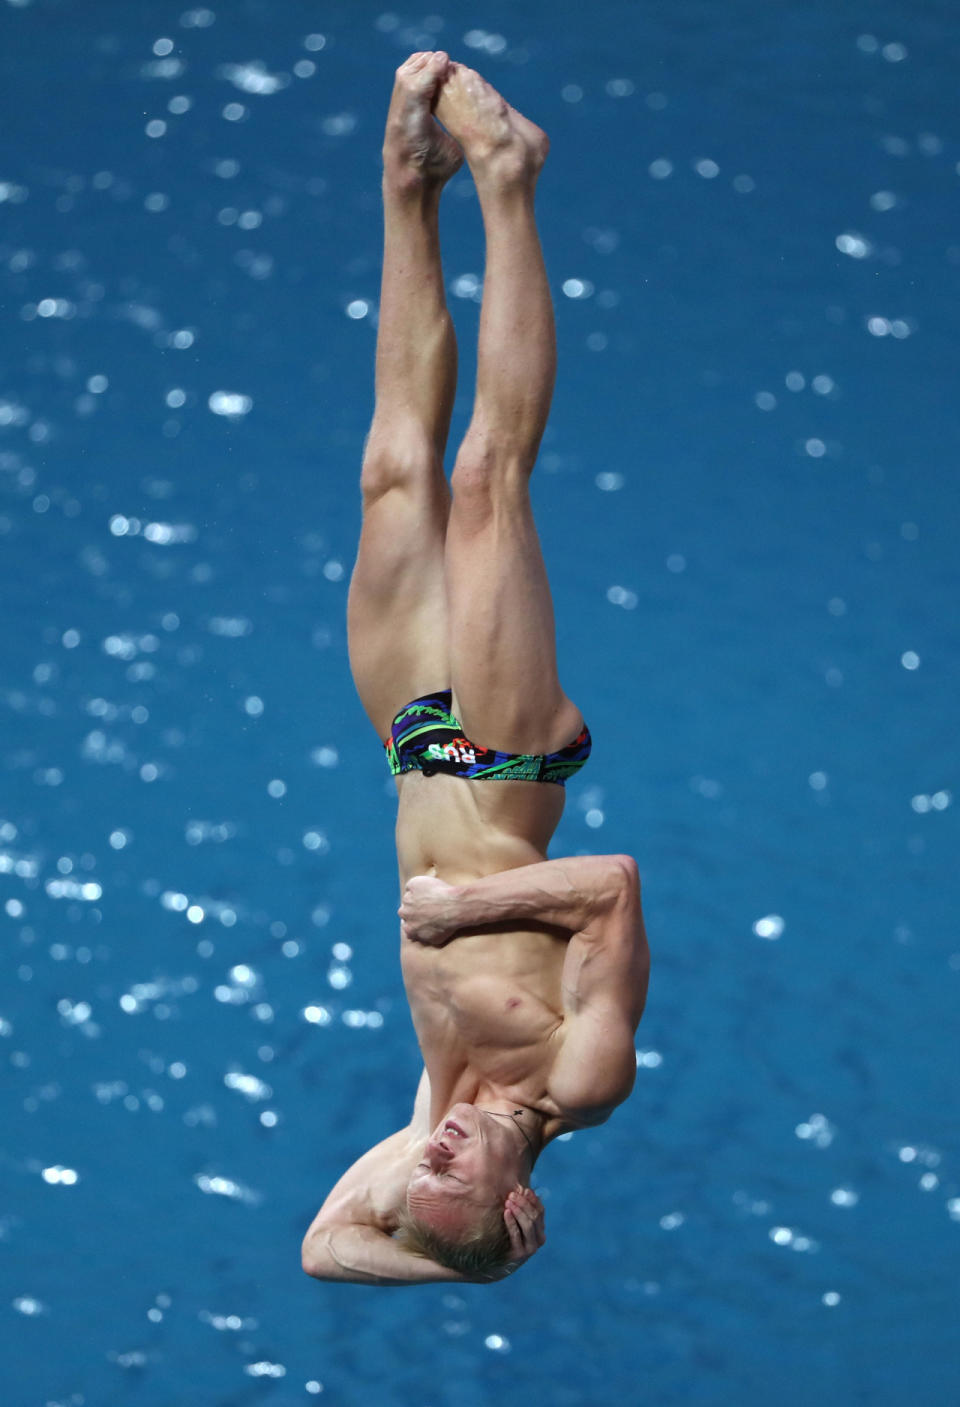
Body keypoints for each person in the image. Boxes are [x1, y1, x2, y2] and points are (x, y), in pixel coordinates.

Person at [301, 52, 650, 1287]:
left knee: (393, 470)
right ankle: (508, 180)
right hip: (506, 772)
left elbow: (323, 1254)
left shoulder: (425, 1121)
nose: (431, 1154)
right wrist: (466, 910)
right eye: (454, 1177)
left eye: (420, 1175)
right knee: (483, 480)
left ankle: (409, 185)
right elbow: (611, 886)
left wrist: (449, 1257)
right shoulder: (577, 1083)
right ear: (517, 1207)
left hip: (411, 750)